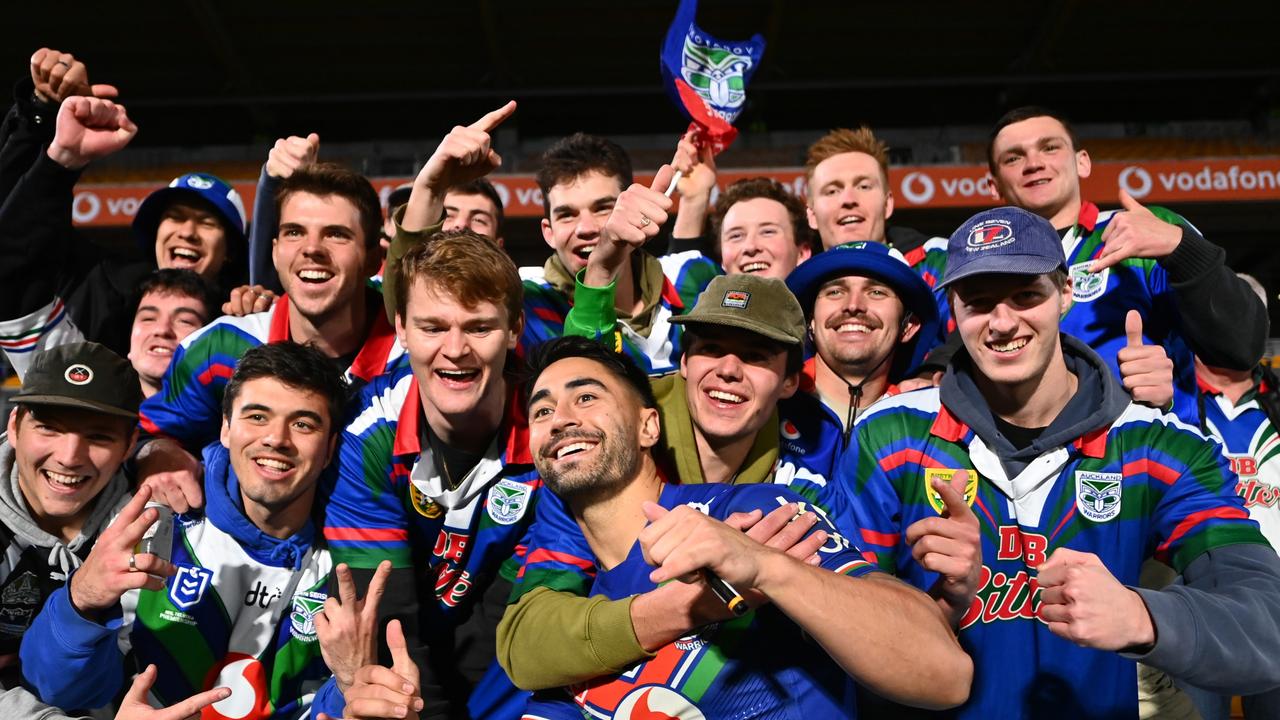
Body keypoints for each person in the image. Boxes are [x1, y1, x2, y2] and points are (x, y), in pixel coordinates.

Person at [841, 205, 1280, 718]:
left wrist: (1145, 616)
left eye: (1026, 295)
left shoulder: (1157, 445)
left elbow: (1267, 623)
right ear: (953, 310)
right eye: (979, 302)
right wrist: (933, 607)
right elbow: (835, 615)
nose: (1003, 322)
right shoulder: (891, 434)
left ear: (1066, 293)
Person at [515, 336, 971, 717]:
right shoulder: (575, 616)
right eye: (541, 411)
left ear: (648, 426)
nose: (561, 420)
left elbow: (944, 674)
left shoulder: (750, 514)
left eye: (587, 397)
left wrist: (765, 566)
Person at [498, 271, 872, 691]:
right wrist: (687, 606)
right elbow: (527, 637)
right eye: (711, 348)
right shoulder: (603, 443)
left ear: (789, 380)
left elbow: (859, 602)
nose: (728, 370)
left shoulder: (818, 446)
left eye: (755, 355)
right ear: (683, 363)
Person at [22, 342, 346, 718]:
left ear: (329, 449)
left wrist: (350, 692)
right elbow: (60, 689)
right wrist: (81, 600)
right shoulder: (153, 525)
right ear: (225, 428)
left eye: (303, 424)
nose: (276, 438)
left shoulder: (349, 558)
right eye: (257, 417)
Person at [135, 162, 406, 512]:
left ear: (373, 259)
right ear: (275, 250)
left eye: (336, 234)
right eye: (295, 232)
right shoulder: (216, 348)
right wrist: (159, 456)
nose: (312, 248)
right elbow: (151, 433)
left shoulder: (413, 355)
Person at [980, 106, 1267, 423]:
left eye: (1050, 147)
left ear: (1082, 162)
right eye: (1014, 158)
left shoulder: (1142, 231)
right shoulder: (981, 268)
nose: (1034, 163)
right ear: (993, 185)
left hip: (1148, 459)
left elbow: (1241, 346)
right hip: (1030, 462)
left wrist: (1181, 248)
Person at [0, 77, 244, 359]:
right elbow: (15, 239)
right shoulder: (98, 280)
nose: (187, 232)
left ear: (230, 252)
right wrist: (42, 120)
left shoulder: (245, 320)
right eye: (175, 217)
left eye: (207, 223)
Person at [0, 342, 141, 688]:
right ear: (14, 426)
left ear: (130, 445)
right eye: (50, 428)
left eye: (98, 436)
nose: (69, 456)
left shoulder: (150, 526)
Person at [521, 132, 719, 375]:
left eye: (603, 208)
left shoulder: (690, 277)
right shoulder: (529, 303)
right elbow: (582, 388)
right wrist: (600, 271)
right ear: (548, 232)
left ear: (631, 209)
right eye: (567, 215)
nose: (586, 228)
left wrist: (695, 200)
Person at [786, 241, 939, 431]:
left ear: (908, 326)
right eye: (835, 292)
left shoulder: (923, 422)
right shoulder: (769, 401)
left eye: (876, 292)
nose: (853, 305)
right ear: (810, 322)